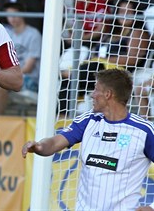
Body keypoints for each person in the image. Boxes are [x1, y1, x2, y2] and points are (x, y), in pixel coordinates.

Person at [22, 69, 154, 210]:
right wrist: (39, 146)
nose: (92, 95)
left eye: (96, 89)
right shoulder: (88, 120)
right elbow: (54, 142)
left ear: (108, 94)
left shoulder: (144, 131)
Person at [0, 0, 41, 115]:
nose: (12, 17)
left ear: (23, 13)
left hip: (27, 78)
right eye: (9, 14)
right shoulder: (7, 32)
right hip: (8, 73)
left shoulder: (33, 34)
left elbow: (28, 68)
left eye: (15, 13)